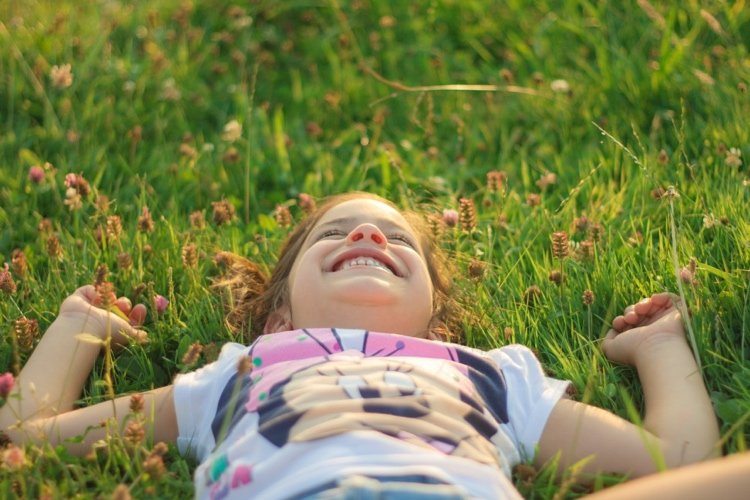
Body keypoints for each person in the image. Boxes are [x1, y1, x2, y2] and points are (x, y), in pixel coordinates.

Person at [0, 192, 721, 499]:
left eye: (396, 236)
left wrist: (659, 345)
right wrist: (77, 329)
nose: (369, 236)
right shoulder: (241, 374)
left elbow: (677, 458)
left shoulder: (489, 375)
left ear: (437, 322)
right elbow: (26, 439)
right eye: (335, 233)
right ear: (278, 315)